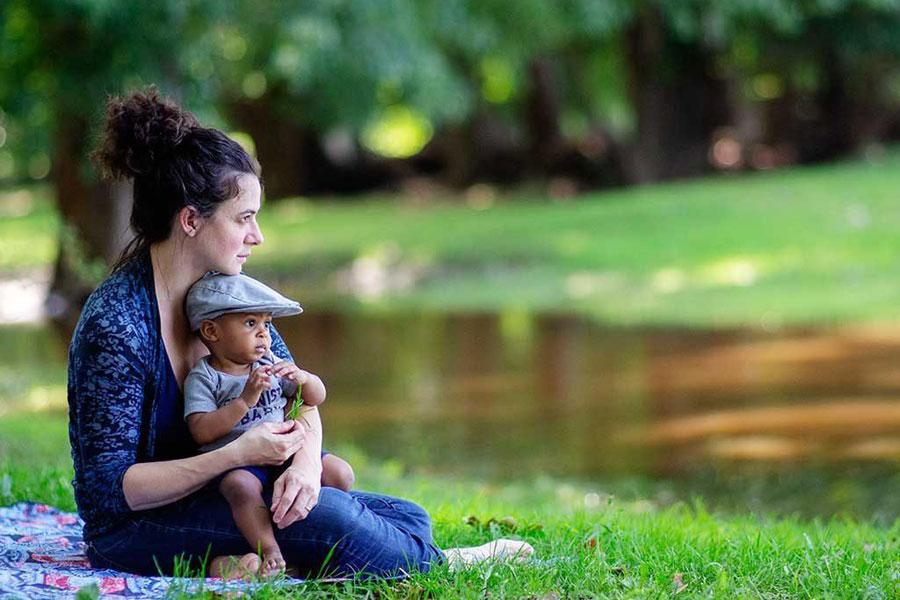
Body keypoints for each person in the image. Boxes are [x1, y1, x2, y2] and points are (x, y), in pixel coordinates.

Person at [67, 87, 532, 579]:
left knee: (404, 515)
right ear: (189, 221)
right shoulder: (116, 324)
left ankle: (230, 564)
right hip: (136, 529)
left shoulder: (230, 297)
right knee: (336, 520)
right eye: (244, 218)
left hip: (222, 491)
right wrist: (237, 453)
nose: (257, 236)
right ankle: (444, 566)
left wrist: (307, 465)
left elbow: (298, 398)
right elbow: (110, 492)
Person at [183, 272, 354, 575]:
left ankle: (330, 533)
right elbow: (200, 429)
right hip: (240, 462)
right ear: (211, 330)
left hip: (283, 451)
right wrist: (245, 400)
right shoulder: (204, 377)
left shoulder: (269, 363)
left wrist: (304, 379)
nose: (264, 334)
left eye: (267, 324)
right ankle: (270, 549)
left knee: (341, 473)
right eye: (251, 324)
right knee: (240, 487)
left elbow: (315, 398)